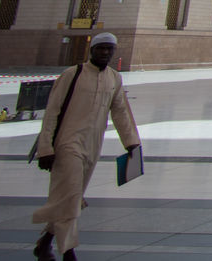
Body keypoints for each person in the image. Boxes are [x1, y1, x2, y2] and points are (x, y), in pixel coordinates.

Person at [32, 32, 140, 261]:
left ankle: (45, 243)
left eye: (109, 50)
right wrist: (45, 149)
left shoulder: (114, 78)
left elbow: (121, 112)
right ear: (92, 50)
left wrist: (132, 143)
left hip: (92, 144)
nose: (105, 53)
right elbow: (52, 112)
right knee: (70, 196)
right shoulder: (72, 74)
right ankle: (68, 252)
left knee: (71, 197)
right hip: (67, 143)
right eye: (101, 49)